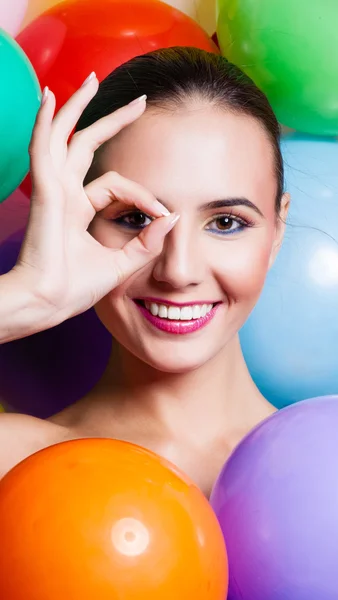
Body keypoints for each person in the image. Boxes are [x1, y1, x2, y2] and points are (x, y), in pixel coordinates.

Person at [0, 47, 289, 496]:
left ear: (278, 230)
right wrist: (29, 295)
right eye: (134, 218)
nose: (178, 270)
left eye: (226, 223)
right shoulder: (14, 465)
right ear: (80, 223)